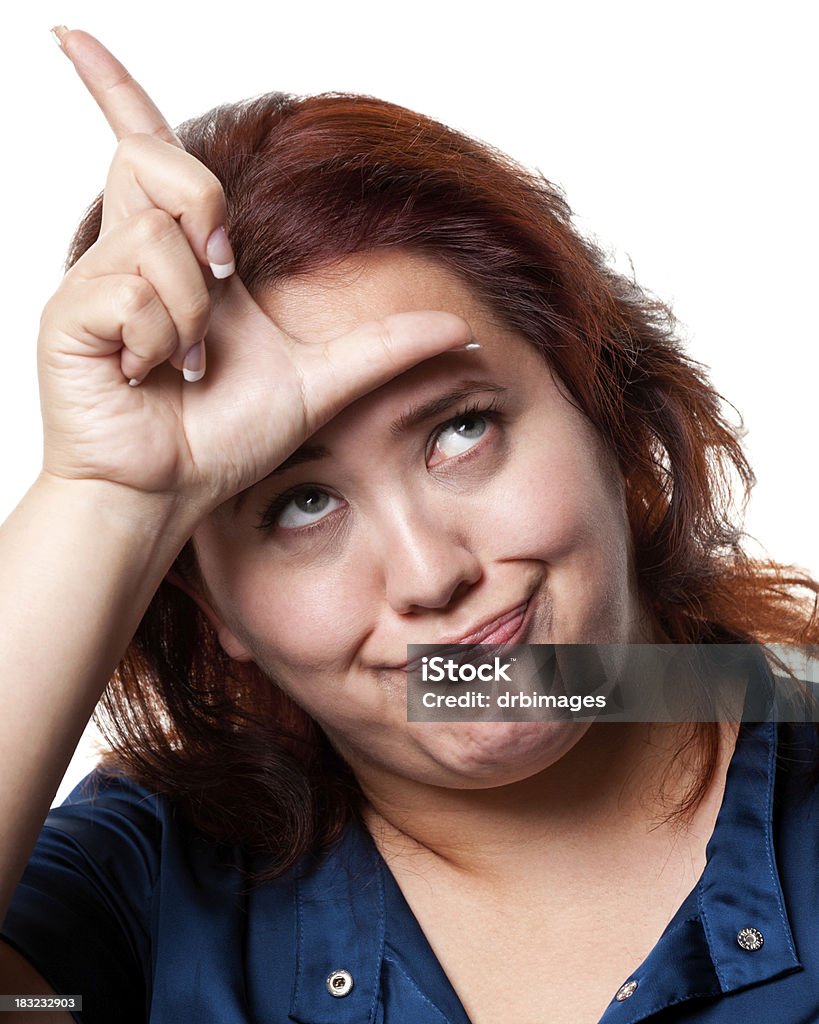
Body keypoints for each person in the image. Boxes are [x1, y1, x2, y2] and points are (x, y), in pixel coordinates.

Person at [1, 26, 818, 1024]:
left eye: (460, 429)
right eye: (299, 502)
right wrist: (103, 492)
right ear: (213, 603)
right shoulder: (144, 891)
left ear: (601, 405)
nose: (430, 574)